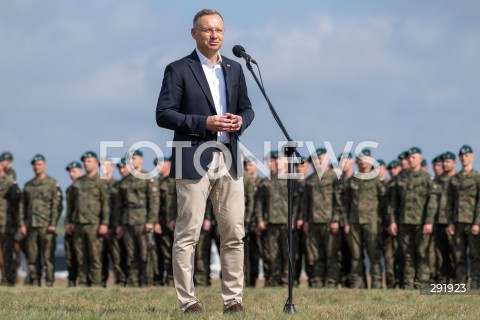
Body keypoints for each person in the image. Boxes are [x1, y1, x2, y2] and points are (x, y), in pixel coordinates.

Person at [155, 8, 254, 313]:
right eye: (208, 30)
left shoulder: (235, 69)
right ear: (194, 33)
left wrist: (241, 121)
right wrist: (204, 123)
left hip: (228, 158)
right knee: (188, 234)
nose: (215, 36)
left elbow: (248, 108)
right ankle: (188, 302)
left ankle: (233, 300)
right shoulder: (178, 69)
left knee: (234, 232)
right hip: (192, 157)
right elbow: (164, 114)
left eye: (219, 31)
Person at [388, 147, 437, 289]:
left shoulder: (426, 178)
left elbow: (432, 202)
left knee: (422, 254)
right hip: (404, 222)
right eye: (409, 158)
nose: (411, 160)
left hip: (421, 222)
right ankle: (409, 285)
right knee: (407, 254)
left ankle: (422, 285)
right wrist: (392, 221)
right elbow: (393, 202)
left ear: (420, 159)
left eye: (414, 157)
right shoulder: (401, 178)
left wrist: (429, 221)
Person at [115, 150, 159, 287]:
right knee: (131, 254)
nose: (131, 161)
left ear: (141, 160)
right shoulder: (124, 181)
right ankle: (133, 281)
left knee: (145, 253)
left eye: (134, 158)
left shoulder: (148, 177)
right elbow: (119, 205)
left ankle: (147, 281)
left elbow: (154, 201)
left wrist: (151, 221)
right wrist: (119, 224)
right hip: (127, 220)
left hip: (143, 220)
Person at [66, 151, 109, 287]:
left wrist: (104, 223)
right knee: (80, 256)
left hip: (94, 224)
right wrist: (68, 222)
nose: (86, 163)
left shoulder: (101, 182)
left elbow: (106, 204)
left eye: (89, 161)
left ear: (96, 163)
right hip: (78, 224)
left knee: (95, 255)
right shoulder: (78, 183)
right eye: (84, 161)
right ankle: (83, 282)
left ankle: (96, 283)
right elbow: (71, 205)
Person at [18, 154, 62, 287]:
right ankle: (35, 281)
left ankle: (49, 282)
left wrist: (53, 223)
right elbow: (22, 206)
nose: (37, 167)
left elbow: (57, 205)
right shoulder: (28, 186)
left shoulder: (52, 183)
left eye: (39, 164)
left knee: (48, 256)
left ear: (45, 165)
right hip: (31, 225)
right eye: (35, 165)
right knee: (32, 256)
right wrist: (22, 224)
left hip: (47, 226)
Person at [343, 150, 384, 289]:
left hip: (372, 221)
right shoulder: (352, 180)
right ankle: (358, 284)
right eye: (360, 159)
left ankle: (377, 284)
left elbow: (383, 200)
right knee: (356, 255)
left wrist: (382, 221)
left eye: (365, 159)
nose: (362, 162)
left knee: (374, 254)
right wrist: (346, 222)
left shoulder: (377, 178)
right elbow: (346, 203)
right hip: (354, 222)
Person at [302, 148, 340, 288]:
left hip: (329, 222)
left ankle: (331, 282)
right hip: (313, 222)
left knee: (331, 254)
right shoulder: (310, 180)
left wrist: (336, 219)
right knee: (315, 255)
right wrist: (305, 220)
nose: (318, 161)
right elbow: (305, 202)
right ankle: (317, 282)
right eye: (315, 159)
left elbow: (338, 201)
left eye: (321, 158)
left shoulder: (334, 177)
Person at [447, 145, 480, 288]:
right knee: (458, 255)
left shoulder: (477, 178)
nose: (464, 158)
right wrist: (450, 222)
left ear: (472, 157)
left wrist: (477, 222)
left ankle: (476, 284)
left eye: (467, 155)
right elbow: (450, 203)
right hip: (457, 222)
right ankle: (461, 284)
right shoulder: (454, 180)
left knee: (475, 255)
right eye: (462, 156)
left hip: (472, 222)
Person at [255, 151, 289, 287]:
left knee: (287, 254)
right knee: (272, 254)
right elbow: (259, 204)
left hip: (286, 222)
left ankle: (286, 281)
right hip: (271, 222)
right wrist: (260, 220)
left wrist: (295, 218)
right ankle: (274, 281)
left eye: (274, 161)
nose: (271, 164)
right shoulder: (265, 183)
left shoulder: (290, 179)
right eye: (269, 161)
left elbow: (296, 202)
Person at [154, 156, 176, 286]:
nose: (158, 167)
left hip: (175, 222)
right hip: (161, 222)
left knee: (175, 252)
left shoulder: (176, 180)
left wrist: (176, 219)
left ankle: (173, 279)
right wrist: (156, 221)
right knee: (163, 252)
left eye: (161, 164)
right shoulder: (157, 182)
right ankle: (165, 279)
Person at [0, 156, 21, 286]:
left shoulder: (10, 183)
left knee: (7, 253)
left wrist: (16, 223)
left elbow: (16, 205)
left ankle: (10, 281)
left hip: (5, 224)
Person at [64, 161, 83, 287]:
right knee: (71, 255)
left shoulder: (85, 186)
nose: (71, 174)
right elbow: (69, 209)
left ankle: (84, 281)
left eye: (74, 171)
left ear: (80, 171)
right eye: (70, 171)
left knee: (83, 255)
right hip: (72, 225)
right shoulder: (70, 189)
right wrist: (67, 223)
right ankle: (72, 281)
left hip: (84, 225)